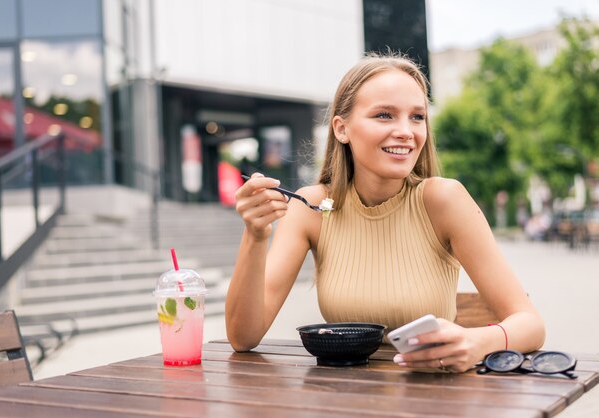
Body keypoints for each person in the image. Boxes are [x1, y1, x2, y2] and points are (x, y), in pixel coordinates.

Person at [226, 52, 545, 373]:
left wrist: (478, 342)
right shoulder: (311, 207)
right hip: (346, 397)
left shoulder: (444, 200)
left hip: (433, 396)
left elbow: (531, 325)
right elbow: (243, 337)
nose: (407, 131)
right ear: (341, 129)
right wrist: (255, 235)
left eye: (417, 117)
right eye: (384, 115)